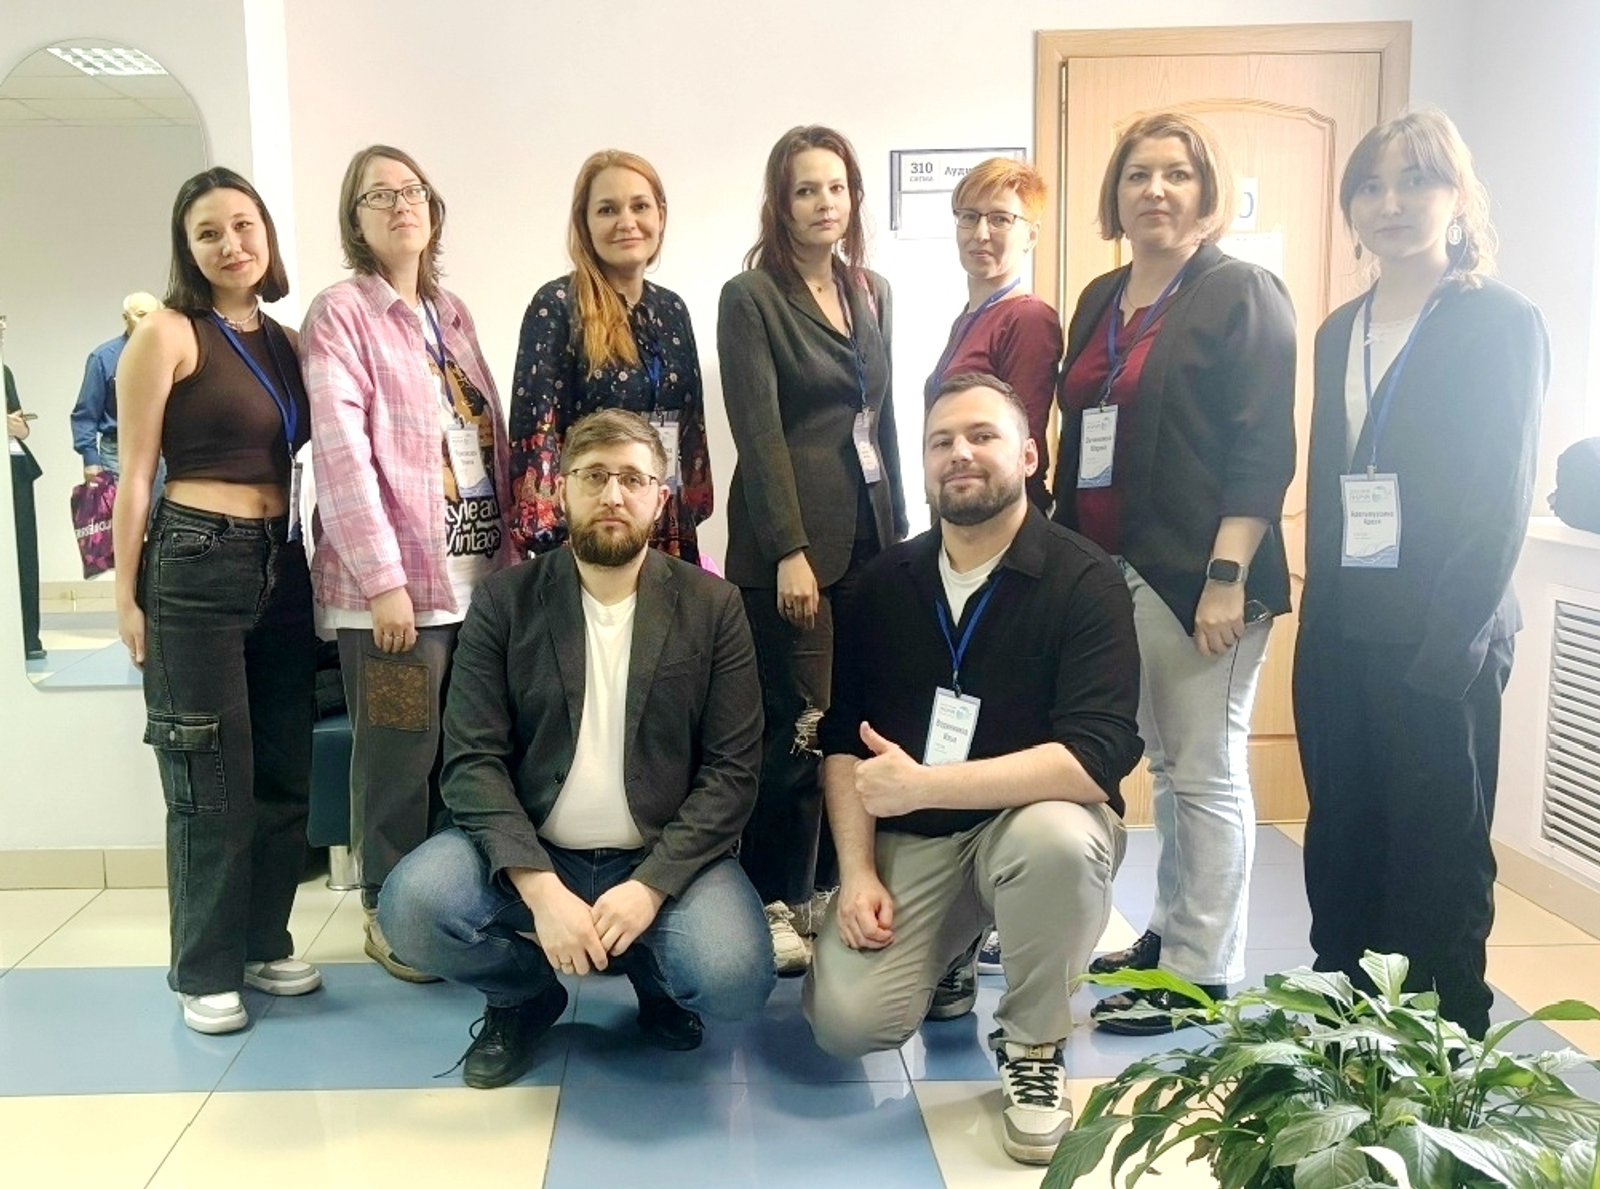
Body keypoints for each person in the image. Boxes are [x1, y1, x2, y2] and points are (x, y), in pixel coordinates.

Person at [380, 410, 773, 1087]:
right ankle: (524, 994)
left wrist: (650, 887)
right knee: (410, 909)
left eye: (632, 479)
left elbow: (733, 773)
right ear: (561, 490)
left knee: (734, 978)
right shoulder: (505, 601)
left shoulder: (714, 607)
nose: (612, 495)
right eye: (594, 477)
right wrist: (540, 890)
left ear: (660, 497)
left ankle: (655, 974)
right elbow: (472, 761)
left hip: (658, 849)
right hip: (537, 844)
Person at [804, 375, 1141, 1165]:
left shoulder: (1086, 580)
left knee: (1056, 842)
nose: (960, 452)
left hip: (1030, 826)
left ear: (1028, 454)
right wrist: (856, 872)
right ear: (923, 465)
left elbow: (1095, 758)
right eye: (941, 440)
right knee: (846, 1023)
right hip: (919, 841)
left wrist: (926, 785)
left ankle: (1033, 1044)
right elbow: (843, 739)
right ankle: (954, 948)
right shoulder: (884, 585)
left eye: (983, 435)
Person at [1296, 109, 1548, 1040]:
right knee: (1343, 837)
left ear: (1457, 196)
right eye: (1371, 185)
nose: (1391, 203)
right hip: (1342, 632)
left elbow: (1500, 497)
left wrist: (1449, 647)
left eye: (1415, 181)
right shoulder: (1340, 329)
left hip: (1445, 638)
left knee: (1436, 853)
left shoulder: (1499, 321)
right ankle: (1345, 1033)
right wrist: (1317, 626)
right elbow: (1332, 482)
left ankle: (1445, 1051)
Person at [1051, 111, 1296, 1034]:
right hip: (1111, 564)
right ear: (1114, 193)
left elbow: (1262, 447)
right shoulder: (1101, 296)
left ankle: (1204, 970)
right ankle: (1168, 932)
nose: (1155, 190)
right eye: (1138, 174)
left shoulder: (1242, 291)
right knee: (1166, 763)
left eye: (1177, 174)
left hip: (1199, 577)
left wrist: (1226, 573)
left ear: (1206, 192)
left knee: (1207, 766)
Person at [112, 167, 320, 1034]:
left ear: (266, 234)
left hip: (284, 562)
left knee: (283, 769)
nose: (231, 244)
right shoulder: (167, 333)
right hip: (195, 563)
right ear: (187, 248)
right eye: (209, 232)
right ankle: (203, 967)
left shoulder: (287, 341)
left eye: (244, 225)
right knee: (208, 777)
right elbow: (133, 476)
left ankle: (263, 940)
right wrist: (126, 596)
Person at [302, 145, 516, 982]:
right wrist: (384, 582)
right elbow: (342, 456)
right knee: (397, 755)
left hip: (472, 584)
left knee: (465, 753)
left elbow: (483, 442)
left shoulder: (450, 313)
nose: (401, 205)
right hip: (392, 600)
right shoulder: (342, 313)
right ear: (354, 221)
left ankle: (445, 901)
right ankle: (386, 905)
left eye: (413, 190)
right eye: (378, 195)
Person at [718, 124, 908, 975]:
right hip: (792, 552)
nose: (824, 203)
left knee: (851, 726)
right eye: (806, 190)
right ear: (781, 203)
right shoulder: (752, 297)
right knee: (792, 734)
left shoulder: (873, 292)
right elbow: (758, 433)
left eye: (836, 187)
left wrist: (902, 538)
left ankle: (830, 882)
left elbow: (882, 423)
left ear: (853, 198)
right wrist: (788, 548)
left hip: (869, 540)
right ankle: (771, 895)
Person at [508, 150, 711, 561]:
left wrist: (689, 507)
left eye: (640, 206)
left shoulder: (672, 309)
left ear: (660, 216)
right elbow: (537, 436)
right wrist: (552, 545)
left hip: (665, 526)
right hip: (590, 535)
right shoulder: (558, 305)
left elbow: (692, 430)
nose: (626, 222)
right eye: (607, 210)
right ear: (584, 223)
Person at [923, 158, 1061, 511]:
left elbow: (1021, 446)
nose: (981, 233)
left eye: (1000, 219)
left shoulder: (1027, 318)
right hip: (961, 507)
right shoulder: (968, 318)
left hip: (999, 516)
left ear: (1031, 235)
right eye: (969, 216)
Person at [70, 291, 162, 478]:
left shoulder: (171, 354)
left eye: (155, 315)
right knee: (123, 499)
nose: (149, 321)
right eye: (142, 315)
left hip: (164, 450)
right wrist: (90, 459)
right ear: (125, 318)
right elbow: (86, 413)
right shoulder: (103, 358)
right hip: (118, 450)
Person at [6, 360, 45, 659]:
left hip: (15, 467)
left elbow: (19, 424)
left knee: (23, 552)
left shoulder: (3, 371)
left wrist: (19, 428)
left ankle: (28, 636)